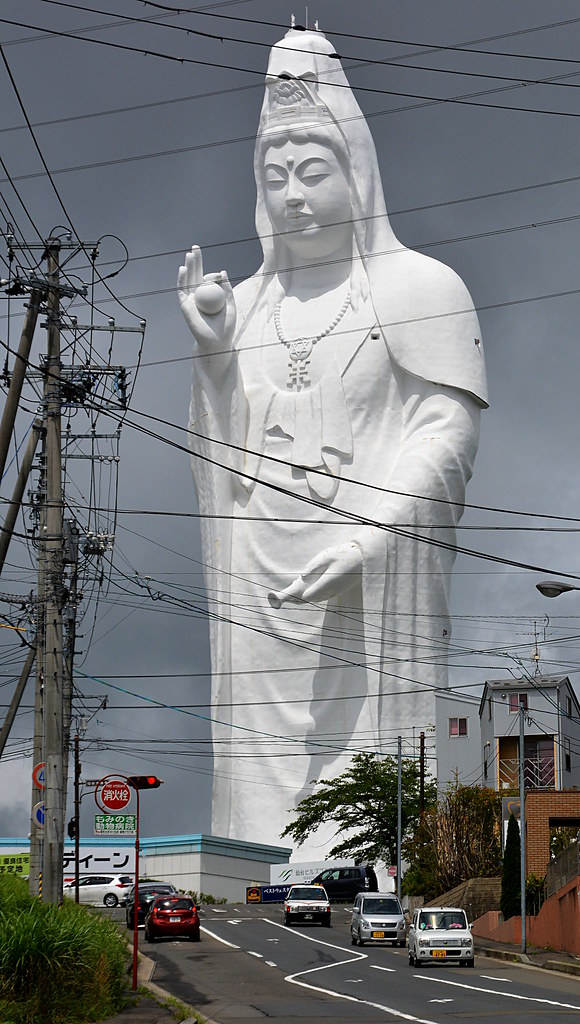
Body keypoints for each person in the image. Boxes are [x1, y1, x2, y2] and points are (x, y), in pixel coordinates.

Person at [178, 28, 487, 851]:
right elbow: (220, 454)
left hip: (365, 567)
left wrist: (374, 538)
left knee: (365, 764)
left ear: (357, 170)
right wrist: (212, 351)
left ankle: (375, 869)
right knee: (257, 755)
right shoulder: (241, 303)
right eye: (274, 177)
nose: (294, 196)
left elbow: (446, 433)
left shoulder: (422, 288)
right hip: (259, 580)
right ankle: (252, 863)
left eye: (312, 172)